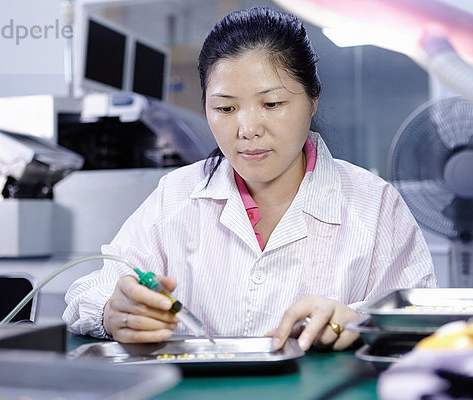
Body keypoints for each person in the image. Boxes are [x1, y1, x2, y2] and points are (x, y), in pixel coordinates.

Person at [63, 6, 437, 352]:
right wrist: (113, 310)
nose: (247, 129)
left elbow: (422, 322)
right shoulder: (175, 196)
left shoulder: (374, 203)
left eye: (272, 104)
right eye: (225, 108)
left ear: (313, 99)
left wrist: (359, 322)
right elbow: (86, 292)